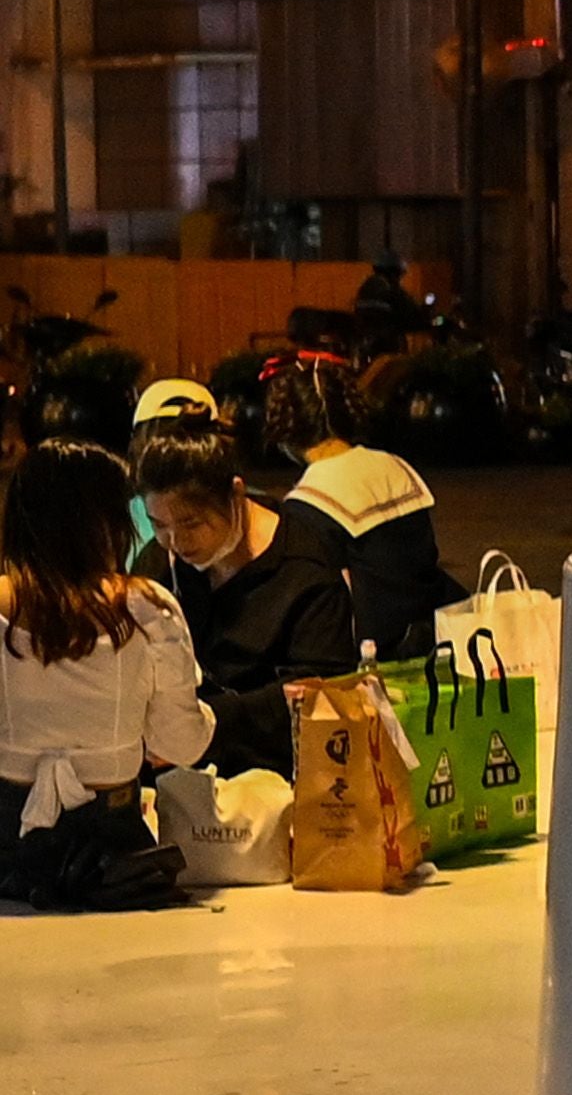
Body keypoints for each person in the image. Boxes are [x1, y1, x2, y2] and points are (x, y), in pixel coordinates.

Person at [0, 443, 199, 912]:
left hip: (7, 844)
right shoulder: (148, 606)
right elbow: (184, 744)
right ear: (111, 521)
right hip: (113, 853)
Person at [128, 424, 368, 778]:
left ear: (236, 495)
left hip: (272, 777)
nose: (175, 542)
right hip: (173, 769)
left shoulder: (306, 572)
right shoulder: (161, 561)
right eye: (159, 525)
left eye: (191, 524)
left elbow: (319, 694)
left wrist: (207, 727)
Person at [271, 360, 445, 660]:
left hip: (369, 660)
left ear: (286, 432)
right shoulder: (396, 468)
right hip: (434, 638)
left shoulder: (307, 504)